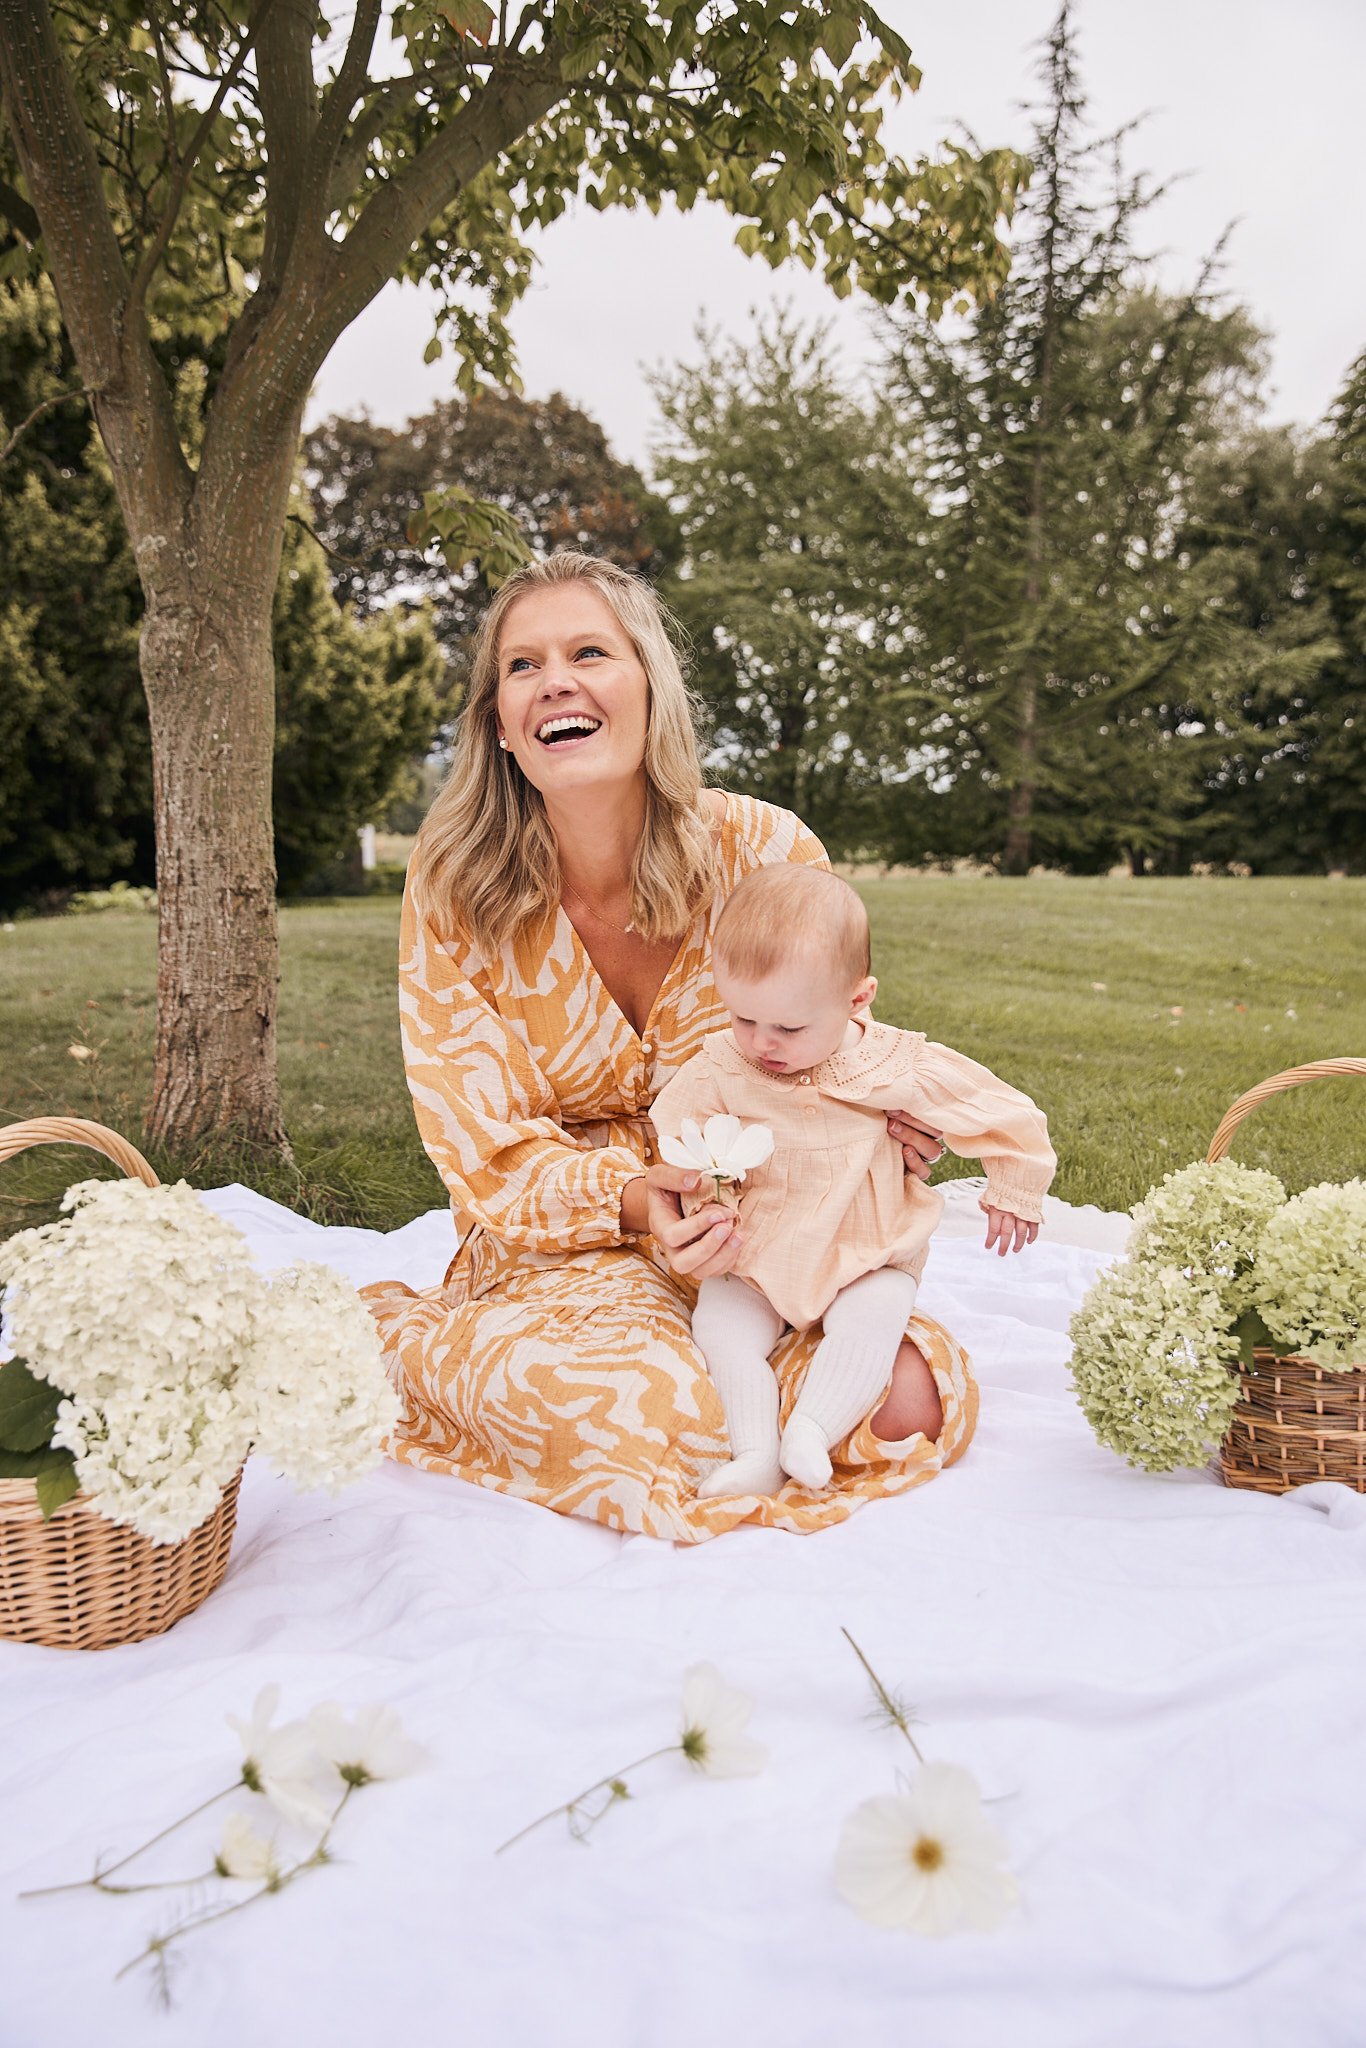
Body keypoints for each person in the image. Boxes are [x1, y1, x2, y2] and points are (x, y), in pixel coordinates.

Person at [361, 550, 978, 1540]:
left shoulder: (769, 852)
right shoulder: (452, 891)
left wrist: (894, 1128)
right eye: (522, 666)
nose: (553, 680)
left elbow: (836, 1053)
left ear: (649, 687)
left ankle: (761, 1410)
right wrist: (642, 1199)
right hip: (563, 1241)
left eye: (588, 651)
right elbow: (478, 1148)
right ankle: (412, 1347)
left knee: (905, 1396)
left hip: (767, 1226)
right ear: (500, 728)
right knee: (649, 1410)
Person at [650, 864, 1056, 1500]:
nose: (762, 1043)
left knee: (876, 1315)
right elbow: (673, 1131)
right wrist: (689, 1186)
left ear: (857, 999)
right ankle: (756, 1453)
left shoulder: (891, 1061)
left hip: (863, 1252)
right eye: (743, 1018)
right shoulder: (722, 1064)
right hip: (758, 1255)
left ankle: (812, 1427)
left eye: (789, 1027)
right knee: (723, 1331)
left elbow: (998, 1109)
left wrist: (1016, 1185)